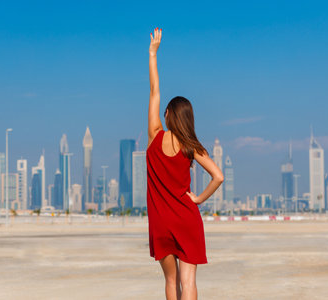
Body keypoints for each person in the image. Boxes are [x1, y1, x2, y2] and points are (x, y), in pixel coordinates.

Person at [146, 27, 224, 300]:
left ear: (166, 115)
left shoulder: (155, 135)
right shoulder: (191, 146)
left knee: (171, 281)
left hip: (160, 221)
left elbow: (155, 89)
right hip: (186, 218)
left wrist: (153, 54)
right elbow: (219, 176)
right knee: (188, 281)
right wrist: (199, 199)